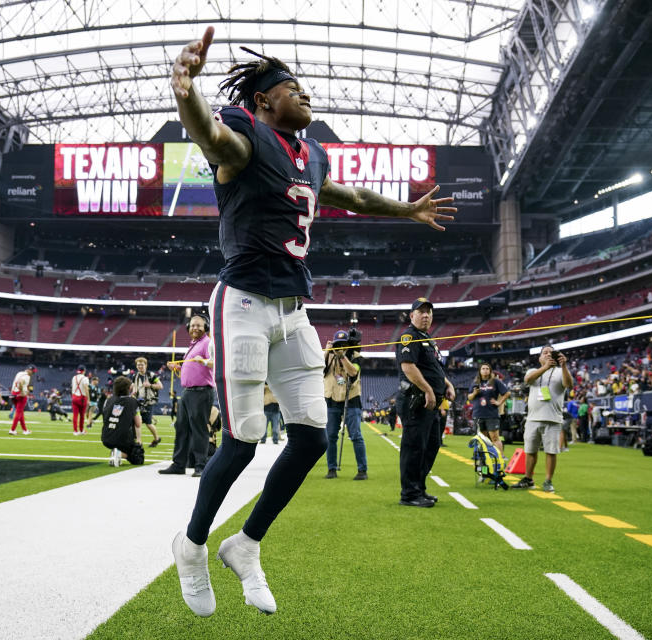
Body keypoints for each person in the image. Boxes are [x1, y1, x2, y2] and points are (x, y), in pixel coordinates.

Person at [168, 27, 456, 618]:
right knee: (244, 439)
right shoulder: (248, 137)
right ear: (264, 102)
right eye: (292, 88)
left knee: (312, 435)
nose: (306, 95)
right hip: (244, 300)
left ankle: (244, 544)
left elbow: (351, 197)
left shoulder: (312, 153)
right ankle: (191, 545)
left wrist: (408, 209)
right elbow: (211, 138)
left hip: (294, 308)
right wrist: (186, 92)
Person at [396, 299, 456, 507]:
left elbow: (434, 368)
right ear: (411, 315)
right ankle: (409, 494)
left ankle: (419, 488)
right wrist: (429, 390)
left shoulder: (427, 338)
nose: (425, 315)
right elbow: (408, 367)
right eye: (420, 312)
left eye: (429, 312)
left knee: (431, 445)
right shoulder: (409, 336)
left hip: (430, 402)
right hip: (417, 400)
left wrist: (447, 384)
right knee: (414, 447)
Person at [160, 314, 215, 477]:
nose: (195, 328)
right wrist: (177, 368)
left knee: (199, 429)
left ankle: (200, 466)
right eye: (192, 325)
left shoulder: (207, 343)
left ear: (205, 327)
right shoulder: (193, 345)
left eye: (199, 325)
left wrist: (204, 361)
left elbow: (218, 361)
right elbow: (191, 368)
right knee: (181, 428)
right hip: (188, 392)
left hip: (201, 392)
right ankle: (178, 464)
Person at [512, 346, 573, 493]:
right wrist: (545, 367)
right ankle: (528, 478)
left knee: (551, 451)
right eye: (544, 353)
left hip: (552, 418)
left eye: (550, 353)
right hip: (533, 418)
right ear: (540, 358)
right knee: (530, 450)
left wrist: (564, 365)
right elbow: (528, 380)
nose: (547, 354)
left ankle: (548, 481)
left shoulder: (560, 372)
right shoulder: (532, 371)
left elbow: (568, 384)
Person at [323, 331, 367, 479]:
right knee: (330, 436)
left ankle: (362, 470)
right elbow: (319, 369)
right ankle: (331, 469)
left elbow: (353, 372)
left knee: (355, 436)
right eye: (337, 344)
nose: (340, 347)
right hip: (332, 399)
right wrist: (328, 350)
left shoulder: (356, 356)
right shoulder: (329, 355)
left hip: (352, 399)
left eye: (343, 344)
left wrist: (342, 356)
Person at [467, 363, 508, 455]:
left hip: (491, 414)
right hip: (478, 414)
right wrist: (474, 393)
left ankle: (500, 458)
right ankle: (484, 458)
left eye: (487, 368)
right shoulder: (475, 383)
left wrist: (499, 402)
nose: (485, 370)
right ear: (480, 371)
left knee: (495, 438)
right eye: (483, 368)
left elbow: (507, 393)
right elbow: (469, 397)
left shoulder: (495, 382)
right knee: (482, 438)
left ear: (490, 371)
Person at [101, 377, 144, 467]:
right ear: (128, 388)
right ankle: (118, 454)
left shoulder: (109, 400)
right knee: (138, 458)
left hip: (106, 437)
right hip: (123, 439)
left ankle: (116, 453)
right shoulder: (132, 402)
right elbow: (138, 423)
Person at [132, 357, 163, 447]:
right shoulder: (135, 376)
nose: (140, 366)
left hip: (149, 402)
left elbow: (160, 386)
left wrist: (150, 385)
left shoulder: (151, 375)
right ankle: (138, 441)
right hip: (138, 401)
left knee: (148, 423)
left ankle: (157, 438)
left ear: (146, 365)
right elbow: (134, 386)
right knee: (136, 422)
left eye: (142, 364)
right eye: (138, 365)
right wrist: (133, 392)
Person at [9, 365, 36, 435]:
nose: (33, 373)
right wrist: (22, 391)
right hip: (21, 395)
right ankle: (12, 429)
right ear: (30, 370)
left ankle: (25, 430)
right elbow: (20, 382)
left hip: (13, 394)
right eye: (33, 372)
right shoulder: (27, 376)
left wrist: (13, 393)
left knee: (20, 413)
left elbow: (16, 382)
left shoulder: (19, 373)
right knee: (18, 412)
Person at [70, 365, 90, 435]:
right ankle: (81, 430)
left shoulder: (74, 377)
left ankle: (75, 431)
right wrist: (88, 399)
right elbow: (86, 389)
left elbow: (72, 388)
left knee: (75, 415)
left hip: (74, 397)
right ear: (84, 371)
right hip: (82, 398)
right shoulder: (85, 378)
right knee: (82, 415)